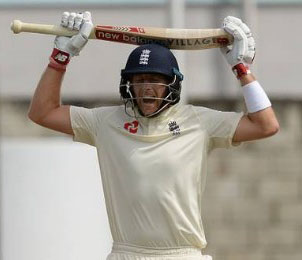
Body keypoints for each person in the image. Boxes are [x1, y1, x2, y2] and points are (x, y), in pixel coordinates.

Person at [28, 11, 279, 260]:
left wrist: (241, 69)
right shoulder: (104, 122)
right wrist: (60, 58)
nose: (147, 87)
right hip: (127, 253)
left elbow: (265, 125)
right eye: (139, 79)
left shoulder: (200, 122)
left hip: (181, 254)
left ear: (173, 83)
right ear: (129, 85)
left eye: (156, 79)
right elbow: (43, 112)